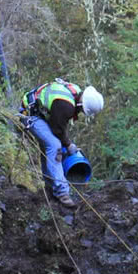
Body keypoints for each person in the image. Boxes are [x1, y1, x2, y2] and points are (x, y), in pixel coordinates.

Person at [21, 79, 104, 207]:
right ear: (82, 105)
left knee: (48, 147)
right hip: (30, 115)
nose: (81, 113)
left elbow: (58, 124)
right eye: (82, 111)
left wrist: (67, 143)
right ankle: (62, 193)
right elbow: (58, 130)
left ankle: (50, 187)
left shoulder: (75, 91)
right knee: (54, 146)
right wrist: (68, 145)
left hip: (39, 112)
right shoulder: (66, 105)